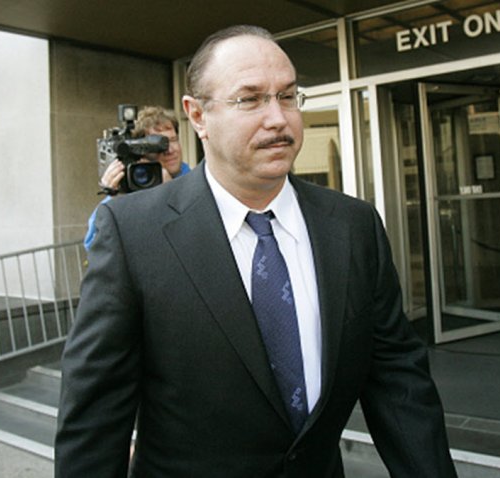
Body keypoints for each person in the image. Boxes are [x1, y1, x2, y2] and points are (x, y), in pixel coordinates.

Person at [55, 25, 457, 477]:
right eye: (250, 99)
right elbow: (94, 418)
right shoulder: (133, 233)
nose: (278, 119)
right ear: (198, 115)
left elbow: (398, 383)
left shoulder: (354, 226)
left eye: (287, 96)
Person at [83, 106, 191, 250]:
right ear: (141, 151)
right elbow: (93, 244)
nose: (170, 150)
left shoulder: (194, 183)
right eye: (160, 144)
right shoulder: (130, 187)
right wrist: (115, 199)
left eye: (173, 140)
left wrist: (169, 193)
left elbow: (197, 235)